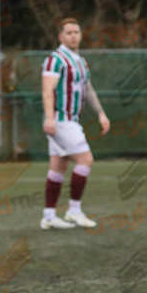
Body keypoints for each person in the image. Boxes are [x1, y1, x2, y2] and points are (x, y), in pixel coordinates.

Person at [39, 18, 110, 229]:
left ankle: (49, 216)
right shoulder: (55, 59)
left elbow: (88, 90)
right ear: (61, 37)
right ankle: (74, 210)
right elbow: (47, 90)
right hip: (61, 121)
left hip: (71, 120)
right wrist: (50, 118)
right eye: (68, 32)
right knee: (86, 159)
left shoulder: (80, 61)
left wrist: (101, 113)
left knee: (58, 166)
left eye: (76, 32)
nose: (73, 36)